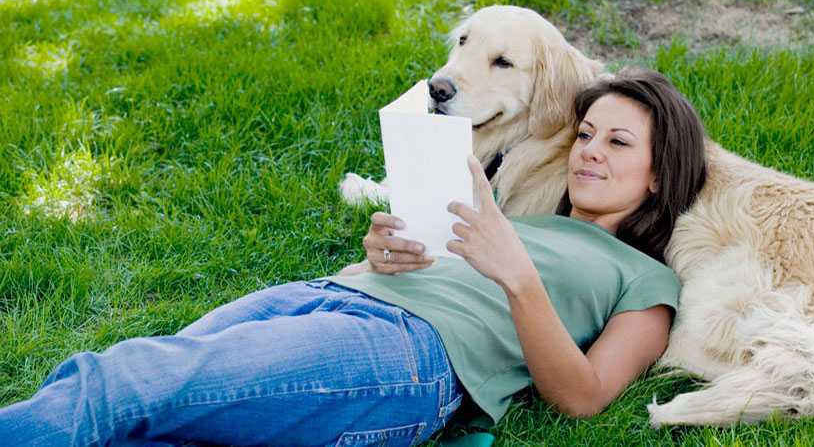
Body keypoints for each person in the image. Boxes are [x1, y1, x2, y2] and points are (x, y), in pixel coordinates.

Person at [0, 68, 706, 446]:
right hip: (331, 295)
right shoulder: (519, 216)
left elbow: (582, 398)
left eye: (618, 142)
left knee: (122, 379)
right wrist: (388, 249)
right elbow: (426, 252)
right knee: (144, 422)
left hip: (405, 353)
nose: (589, 150)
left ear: (657, 174)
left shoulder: (646, 282)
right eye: (586, 132)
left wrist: (516, 276)